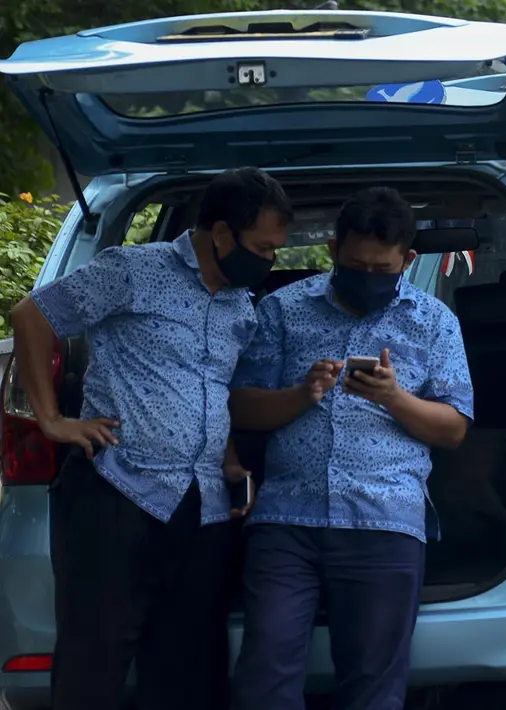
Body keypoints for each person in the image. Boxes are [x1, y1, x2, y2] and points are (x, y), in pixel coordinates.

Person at [9, 167, 292, 710]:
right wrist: (51, 421)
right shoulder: (134, 270)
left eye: (275, 250)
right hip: (117, 492)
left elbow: (217, 390)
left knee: (186, 666)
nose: (269, 261)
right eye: (262, 247)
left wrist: (230, 462)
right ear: (221, 233)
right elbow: (31, 315)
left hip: (203, 505)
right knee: (95, 662)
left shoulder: (239, 306)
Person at [228, 187, 474, 710]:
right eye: (356, 263)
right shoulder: (283, 309)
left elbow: (454, 429)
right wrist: (301, 395)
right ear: (334, 250)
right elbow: (240, 407)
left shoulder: (434, 322)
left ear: (407, 260)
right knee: (263, 676)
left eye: (382, 268)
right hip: (286, 522)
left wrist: (394, 397)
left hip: (385, 521)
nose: (368, 276)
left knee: (372, 687)